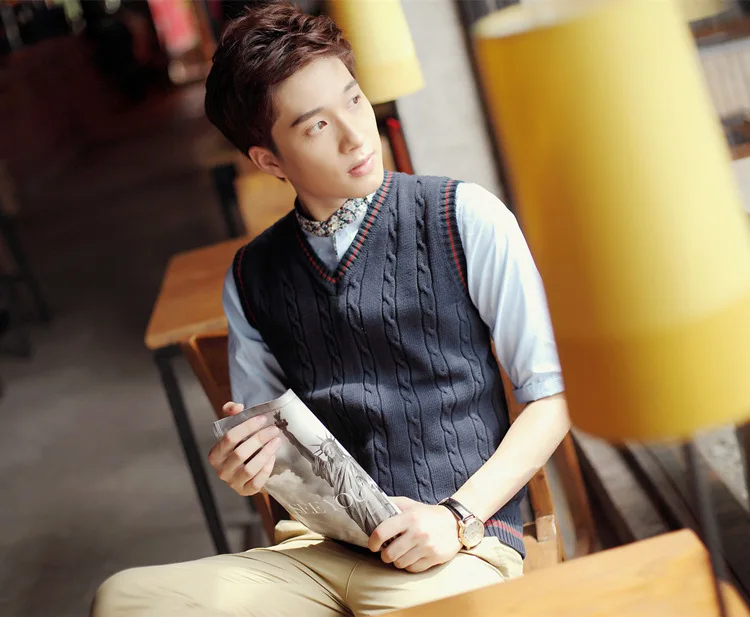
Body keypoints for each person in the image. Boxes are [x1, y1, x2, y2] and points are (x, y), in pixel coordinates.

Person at [91, 2, 571, 615]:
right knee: (124, 600)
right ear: (269, 161)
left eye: (353, 99)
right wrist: (250, 464)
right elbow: (273, 446)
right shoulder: (252, 275)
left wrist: (458, 516)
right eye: (316, 126)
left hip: (456, 543)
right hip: (320, 552)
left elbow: (553, 397)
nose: (355, 134)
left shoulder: (462, 216)